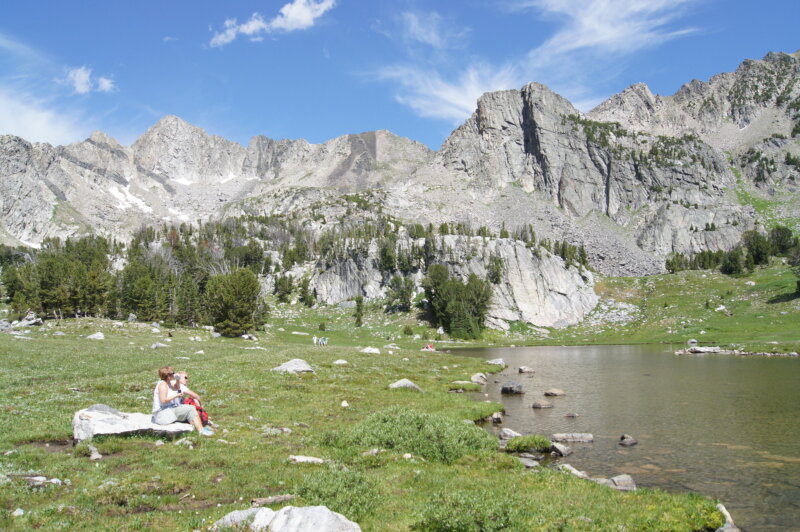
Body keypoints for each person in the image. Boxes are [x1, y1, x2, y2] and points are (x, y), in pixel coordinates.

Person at [152, 366, 213, 436]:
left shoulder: (168, 383)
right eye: (172, 373)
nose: (174, 374)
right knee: (190, 409)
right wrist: (176, 396)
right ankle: (201, 431)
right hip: (161, 414)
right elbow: (163, 400)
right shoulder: (163, 385)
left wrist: (177, 379)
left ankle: (198, 428)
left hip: (167, 411)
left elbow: (176, 387)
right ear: (168, 376)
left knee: (189, 407)